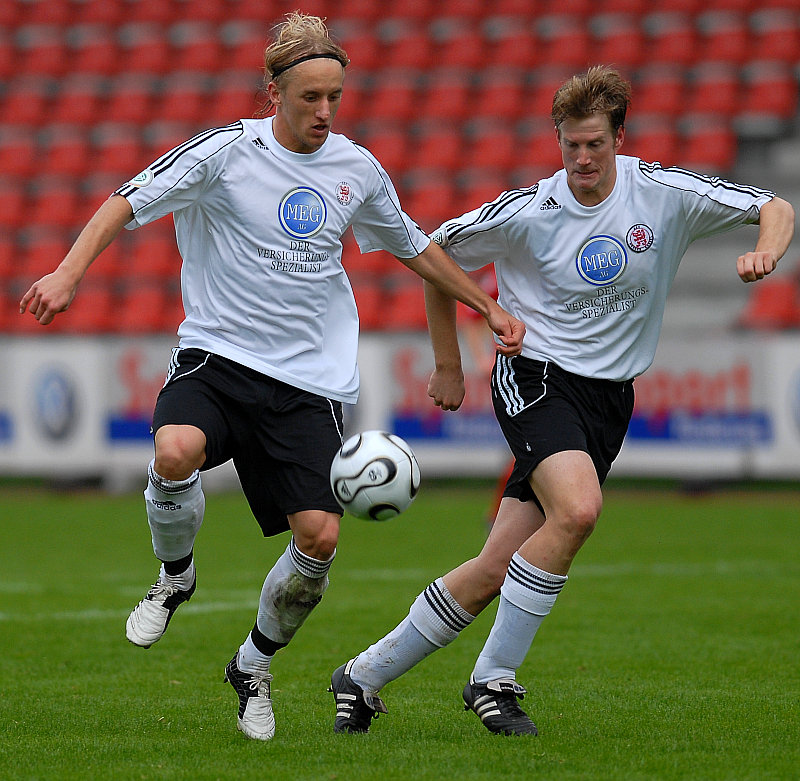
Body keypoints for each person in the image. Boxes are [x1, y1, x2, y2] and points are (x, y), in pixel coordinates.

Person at [18, 13, 524, 742]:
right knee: (173, 451)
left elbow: (414, 245)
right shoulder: (225, 152)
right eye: (310, 97)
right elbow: (125, 200)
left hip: (309, 385)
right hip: (218, 357)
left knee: (319, 538)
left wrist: (486, 307)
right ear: (274, 92)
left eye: (335, 97)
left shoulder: (357, 169)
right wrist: (68, 272)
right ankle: (175, 575)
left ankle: (252, 665)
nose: (324, 111)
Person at [330, 65, 795, 737]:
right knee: (578, 511)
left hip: (609, 401)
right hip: (536, 377)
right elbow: (434, 256)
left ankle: (362, 675)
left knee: (496, 567)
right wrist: (448, 363)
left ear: (619, 139)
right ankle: (494, 680)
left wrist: (765, 251)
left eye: (595, 144)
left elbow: (776, 207)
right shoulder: (529, 211)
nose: (582, 158)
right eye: (570, 144)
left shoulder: (662, 194)